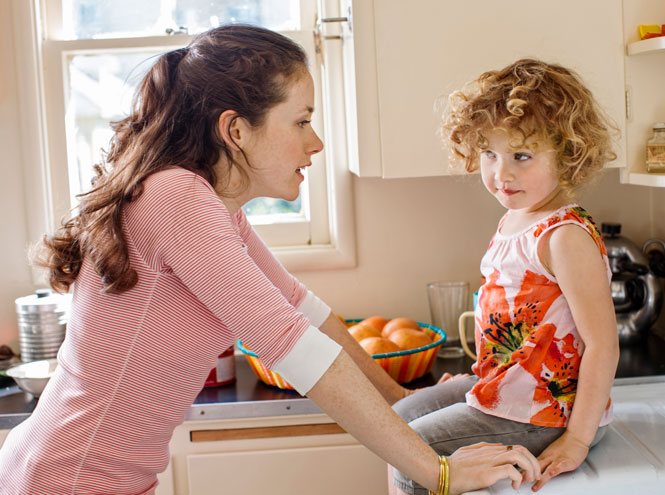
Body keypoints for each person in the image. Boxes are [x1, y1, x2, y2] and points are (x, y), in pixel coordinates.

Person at [0, 26, 540, 495]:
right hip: (66, 479)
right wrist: (439, 472)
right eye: (301, 121)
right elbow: (293, 347)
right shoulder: (175, 199)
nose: (317, 142)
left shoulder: (211, 206)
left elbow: (302, 310)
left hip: (87, 474)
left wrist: (401, 399)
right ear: (236, 130)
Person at [389, 59, 620, 495]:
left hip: (548, 416)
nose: (502, 172)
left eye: (522, 155)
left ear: (569, 153)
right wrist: (482, 376)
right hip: (505, 397)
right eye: (490, 154)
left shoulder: (563, 236)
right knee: (395, 419)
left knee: (410, 449)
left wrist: (577, 440)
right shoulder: (515, 219)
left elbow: (603, 345)